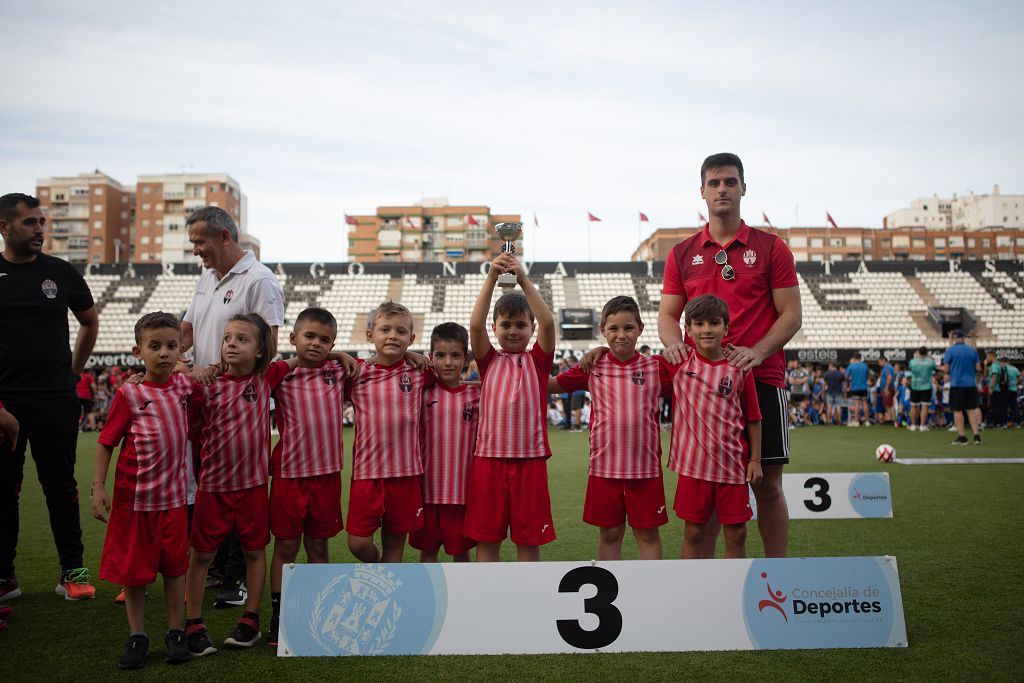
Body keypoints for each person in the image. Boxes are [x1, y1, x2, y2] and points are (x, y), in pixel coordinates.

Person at [657, 153, 800, 558]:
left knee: (768, 486)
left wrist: (756, 352)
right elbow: (668, 317)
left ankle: (779, 574)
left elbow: (792, 315)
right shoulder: (682, 253)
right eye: (715, 182)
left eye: (730, 182)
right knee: (710, 488)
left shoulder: (771, 248)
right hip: (702, 390)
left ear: (743, 188)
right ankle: (705, 589)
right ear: (702, 191)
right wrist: (675, 347)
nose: (723, 189)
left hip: (763, 380)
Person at [180, 206, 284, 608]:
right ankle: (221, 567)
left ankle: (237, 578)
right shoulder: (207, 277)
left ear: (224, 237)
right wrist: (173, 357)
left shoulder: (259, 280)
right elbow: (188, 329)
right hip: (206, 399)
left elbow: (268, 343)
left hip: (242, 399)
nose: (195, 250)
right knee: (210, 482)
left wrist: (217, 370)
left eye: (199, 241)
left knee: (243, 484)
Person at [0, 192, 100, 602]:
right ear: (5, 227)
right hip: (5, 405)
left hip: (56, 398)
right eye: (30, 223)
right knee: (5, 489)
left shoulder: (61, 272)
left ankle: (72, 573)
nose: (40, 230)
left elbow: (89, 321)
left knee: (61, 486)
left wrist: (74, 371)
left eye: (42, 222)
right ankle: (5, 577)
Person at [90, 313, 198, 669]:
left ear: (181, 349)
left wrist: (193, 370)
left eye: (171, 346)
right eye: (155, 347)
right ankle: (137, 635)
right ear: (139, 351)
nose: (164, 353)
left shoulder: (185, 388)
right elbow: (106, 443)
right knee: (133, 574)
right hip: (134, 503)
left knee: (175, 569)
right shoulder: (130, 393)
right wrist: (98, 488)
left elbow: (214, 373)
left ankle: (175, 631)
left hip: (173, 502)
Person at [184, 314, 290, 654]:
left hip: (253, 487)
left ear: (260, 351)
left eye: (242, 339)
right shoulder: (205, 383)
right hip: (212, 488)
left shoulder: (265, 378)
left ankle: (251, 619)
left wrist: (340, 356)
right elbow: (165, 370)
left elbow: (304, 355)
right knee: (201, 555)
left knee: (254, 551)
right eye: (227, 336)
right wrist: (188, 370)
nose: (231, 342)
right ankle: (193, 623)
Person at [549, 296, 673, 561]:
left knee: (648, 536)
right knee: (610, 534)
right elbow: (551, 385)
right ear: (603, 331)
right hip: (604, 470)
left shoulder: (656, 368)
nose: (621, 335)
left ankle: (652, 594)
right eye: (613, 329)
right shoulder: (592, 367)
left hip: (645, 470)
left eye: (628, 328)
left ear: (640, 328)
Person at [266, 308, 357, 647]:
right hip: (290, 475)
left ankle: (320, 612)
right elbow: (258, 376)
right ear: (292, 339)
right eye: (310, 337)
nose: (317, 344)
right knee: (286, 546)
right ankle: (278, 616)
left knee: (319, 545)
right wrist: (298, 360)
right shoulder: (281, 376)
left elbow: (369, 367)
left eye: (325, 340)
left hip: (327, 475)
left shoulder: (338, 369)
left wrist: (339, 354)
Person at [466, 253, 557, 562]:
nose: (513, 331)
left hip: (530, 462)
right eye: (506, 325)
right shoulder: (489, 360)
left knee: (529, 541)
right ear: (496, 328)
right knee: (487, 540)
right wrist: (492, 278)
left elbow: (548, 322)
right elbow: (474, 327)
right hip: (488, 461)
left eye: (521, 324)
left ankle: (528, 600)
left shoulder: (538, 361)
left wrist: (523, 279)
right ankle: (486, 598)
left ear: (531, 329)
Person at [668, 295, 762, 559]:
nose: (706, 329)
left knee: (737, 533)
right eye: (698, 323)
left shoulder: (740, 367)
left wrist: (755, 459)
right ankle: (690, 590)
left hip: (732, 465)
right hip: (693, 467)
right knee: (694, 533)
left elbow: (753, 417)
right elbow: (631, 360)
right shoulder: (677, 364)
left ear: (726, 328)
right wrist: (602, 351)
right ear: (688, 330)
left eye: (713, 323)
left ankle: (733, 590)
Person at [345, 302, 434, 564]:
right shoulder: (357, 372)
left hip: (405, 474)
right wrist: (340, 355)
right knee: (358, 543)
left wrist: (414, 356)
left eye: (401, 331)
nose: (393, 335)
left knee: (395, 544)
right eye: (385, 329)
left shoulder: (419, 373)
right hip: (367, 474)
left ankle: (388, 589)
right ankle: (379, 570)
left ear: (411, 338)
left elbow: (450, 377)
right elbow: (319, 359)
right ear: (370, 335)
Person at [410, 323, 480, 564]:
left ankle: (468, 599)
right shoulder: (420, 393)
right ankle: (425, 600)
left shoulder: (478, 396)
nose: (448, 362)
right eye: (440, 355)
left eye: (455, 355)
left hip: (462, 493)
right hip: (426, 492)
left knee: (461, 553)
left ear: (466, 357)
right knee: (428, 552)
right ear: (430, 358)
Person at [940, 330, 982, 445]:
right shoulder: (972, 351)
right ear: (963, 338)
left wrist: (948, 373)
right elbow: (978, 368)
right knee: (971, 410)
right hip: (971, 384)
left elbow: (946, 368)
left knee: (957, 411)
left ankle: (962, 437)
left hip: (957, 384)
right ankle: (976, 436)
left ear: (954, 338)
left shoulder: (951, 350)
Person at [908, 347, 936, 431]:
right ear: (927, 353)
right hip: (926, 386)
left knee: (913, 405)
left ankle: (913, 425)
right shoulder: (930, 362)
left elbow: (910, 369)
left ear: (918, 353)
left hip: (915, 386)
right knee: (924, 406)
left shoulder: (912, 361)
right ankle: (922, 426)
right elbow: (933, 369)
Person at [845, 353, 870, 426]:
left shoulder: (851, 366)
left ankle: (856, 421)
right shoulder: (865, 366)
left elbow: (846, 376)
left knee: (856, 404)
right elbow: (867, 375)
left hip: (855, 387)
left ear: (854, 358)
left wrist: (850, 379)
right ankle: (867, 421)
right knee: (865, 404)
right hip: (864, 387)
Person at [985, 352, 1007, 428]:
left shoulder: (994, 365)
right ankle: (1001, 423)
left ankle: (999, 423)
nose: (987, 359)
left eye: (987, 357)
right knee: (999, 406)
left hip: (995, 388)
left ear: (992, 356)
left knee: (995, 407)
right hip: (1000, 388)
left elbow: (995, 376)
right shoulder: (1000, 364)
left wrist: (991, 388)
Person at [876, 356, 896, 425]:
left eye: (879, 362)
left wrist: (886, 387)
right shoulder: (887, 367)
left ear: (883, 360)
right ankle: (890, 419)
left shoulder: (887, 367)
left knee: (889, 404)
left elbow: (889, 377)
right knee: (888, 404)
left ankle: (891, 419)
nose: (879, 364)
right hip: (888, 388)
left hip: (888, 388)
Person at [1006, 363, 1021, 428]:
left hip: (1006, 389)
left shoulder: (1004, 368)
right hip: (1014, 389)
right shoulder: (1015, 368)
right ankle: (1017, 423)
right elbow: (1020, 378)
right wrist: (1015, 383)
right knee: (1015, 406)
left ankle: (1007, 422)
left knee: (1006, 406)